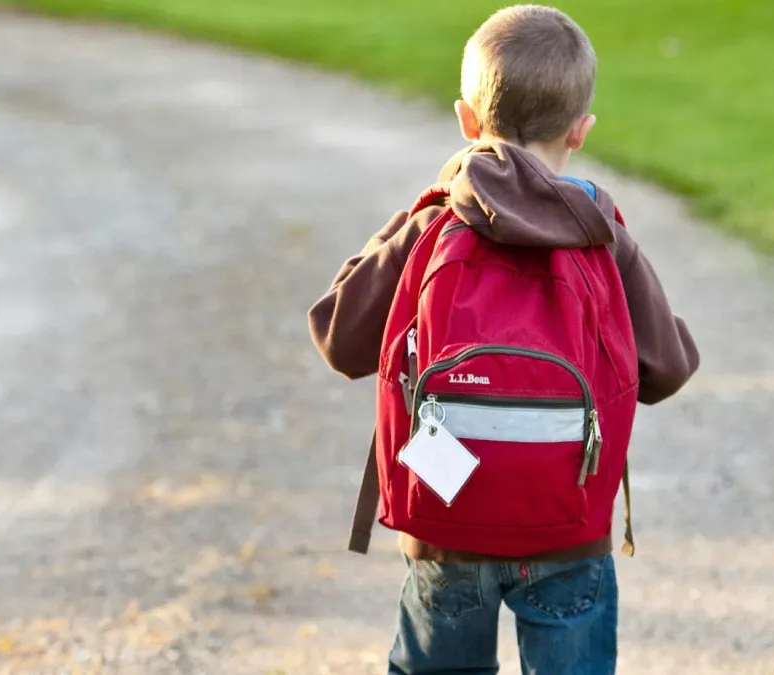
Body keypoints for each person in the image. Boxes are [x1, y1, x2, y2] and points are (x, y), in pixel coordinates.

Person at [308, 5, 698, 674]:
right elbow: (668, 370)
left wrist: (411, 218)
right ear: (581, 131)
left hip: (447, 517)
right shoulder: (602, 232)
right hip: (568, 529)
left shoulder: (435, 221)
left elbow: (340, 336)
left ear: (466, 120)